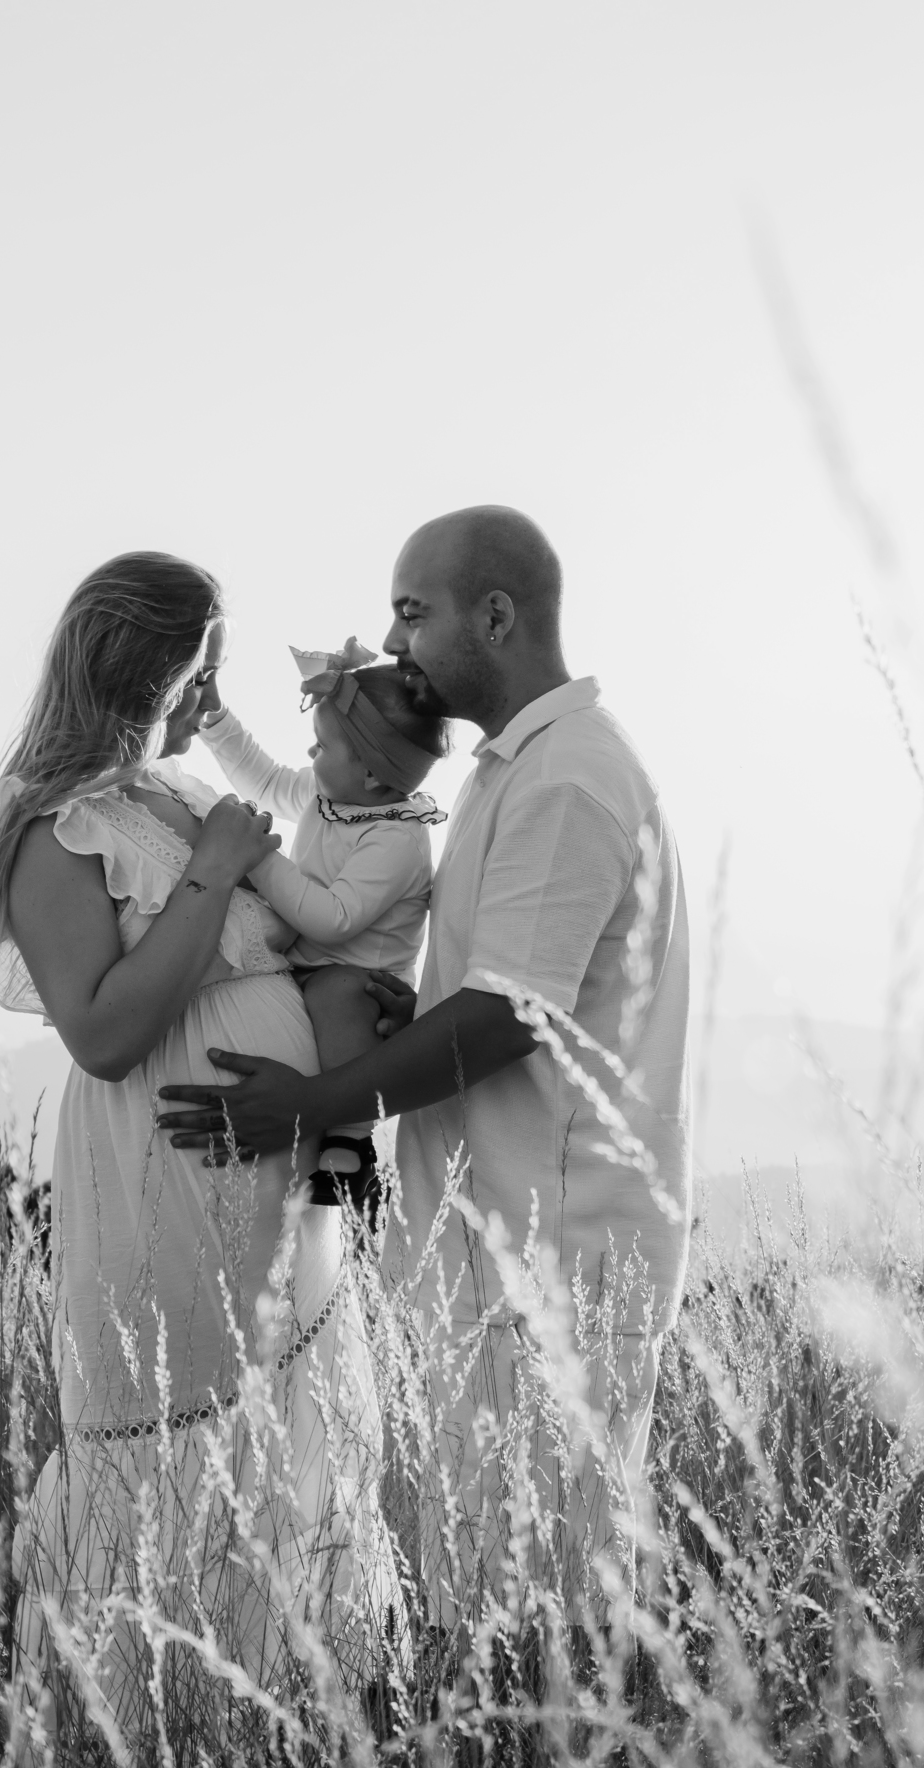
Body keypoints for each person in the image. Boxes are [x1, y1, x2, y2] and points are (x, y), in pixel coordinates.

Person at [158, 506, 691, 1620]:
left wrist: (309, 1105)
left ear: (494, 615)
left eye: (413, 612)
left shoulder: (563, 781)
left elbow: (507, 1019)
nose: (393, 642)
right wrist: (415, 1010)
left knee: (541, 1614)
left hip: (553, 1254)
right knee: (480, 1587)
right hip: (506, 1239)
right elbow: (509, 989)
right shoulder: (519, 769)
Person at [0, 552, 403, 1768]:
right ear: (162, 660)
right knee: (176, 1457)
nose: (219, 684)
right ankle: (151, 1742)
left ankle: (291, 1740)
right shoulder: (60, 830)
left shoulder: (174, 793)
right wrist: (211, 872)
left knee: (296, 1466)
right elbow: (101, 1033)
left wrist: (342, 1142)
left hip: (276, 1190)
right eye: (210, 657)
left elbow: (326, 952)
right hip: (165, 1195)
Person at [199, 639, 449, 1222]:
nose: (310, 749)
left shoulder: (397, 838)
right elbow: (259, 777)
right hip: (307, 960)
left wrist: (256, 858)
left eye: (324, 743)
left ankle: (353, 1143)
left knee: (339, 997)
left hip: (361, 978)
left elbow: (334, 920)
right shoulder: (331, 796)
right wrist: (214, 716)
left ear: (372, 772)